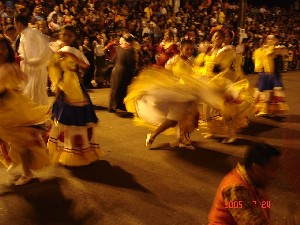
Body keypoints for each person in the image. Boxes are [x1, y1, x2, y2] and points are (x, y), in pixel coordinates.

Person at [125, 40, 223, 150]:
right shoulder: (175, 60)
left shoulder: (190, 61)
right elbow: (167, 73)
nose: (190, 51)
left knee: (190, 118)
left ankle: (182, 140)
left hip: (188, 93)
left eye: (191, 49)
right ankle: (153, 136)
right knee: (173, 120)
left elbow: (194, 74)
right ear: (181, 49)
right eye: (187, 49)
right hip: (178, 94)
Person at [47, 25, 104, 166]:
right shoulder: (56, 49)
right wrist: (56, 81)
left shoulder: (71, 50)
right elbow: (51, 66)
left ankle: (78, 152)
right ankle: (67, 151)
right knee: (64, 120)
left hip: (74, 87)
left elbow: (86, 64)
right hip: (62, 85)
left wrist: (72, 62)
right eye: (64, 35)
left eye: (70, 36)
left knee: (75, 120)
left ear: (74, 38)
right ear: (60, 35)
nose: (66, 38)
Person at [0, 37, 50, 185]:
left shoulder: (9, 67)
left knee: (22, 142)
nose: (1, 51)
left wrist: (6, 91)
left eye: (3, 48)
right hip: (6, 108)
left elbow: (19, 79)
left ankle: (27, 173)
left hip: (13, 108)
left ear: (8, 50)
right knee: (13, 141)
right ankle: (16, 162)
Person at [208, 142, 281, 224]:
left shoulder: (255, 181)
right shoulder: (236, 190)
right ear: (256, 168)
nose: (275, 176)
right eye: (273, 170)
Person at [15, 13, 52, 105]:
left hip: (33, 71)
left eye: (14, 23)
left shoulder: (28, 34)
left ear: (19, 23)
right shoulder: (30, 32)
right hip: (34, 69)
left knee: (33, 98)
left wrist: (24, 60)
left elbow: (31, 56)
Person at [253, 35, 289, 116]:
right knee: (263, 92)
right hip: (264, 74)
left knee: (274, 92)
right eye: (268, 39)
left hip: (274, 74)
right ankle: (263, 110)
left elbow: (283, 52)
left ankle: (273, 110)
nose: (270, 40)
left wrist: (277, 48)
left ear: (276, 40)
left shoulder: (277, 49)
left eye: (272, 39)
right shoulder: (262, 49)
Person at [108, 34, 136, 113]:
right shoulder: (130, 49)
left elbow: (113, 59)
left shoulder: (118, 47)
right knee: (122, 89)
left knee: (115, 88)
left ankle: (112, 106)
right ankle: (118, 105)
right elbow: (131, 62)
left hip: (116, 70)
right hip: (124, 71)